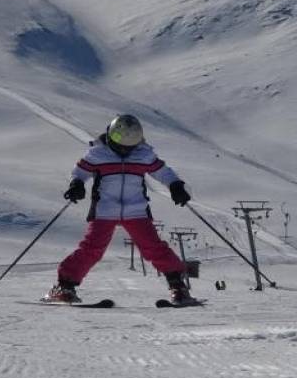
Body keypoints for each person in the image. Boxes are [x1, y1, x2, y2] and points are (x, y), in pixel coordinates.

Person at [45, 114, 195, 304]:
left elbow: (163, 172)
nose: (124, 147)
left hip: (136, 209)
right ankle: (64, 286)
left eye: (130, 142)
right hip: (105, 209)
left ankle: (177, 285)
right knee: (92, 248)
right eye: (118, 140)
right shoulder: (98, 154)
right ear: (110, 134)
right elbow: (80, 172)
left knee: (153, 247)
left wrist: (175, 185)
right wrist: (77, 184)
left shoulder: (143, 154)